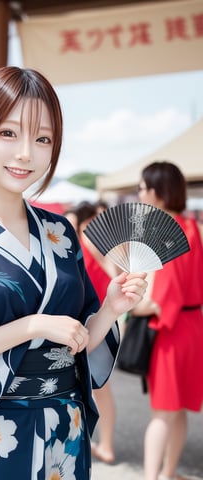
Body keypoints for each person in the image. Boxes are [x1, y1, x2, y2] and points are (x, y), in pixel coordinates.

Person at [0, 66, 147, 479]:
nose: (26, 153)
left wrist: (108, 309)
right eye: (8, 133)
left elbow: (75, 341)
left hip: (65, 426)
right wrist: (31, 326)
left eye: (43, 138)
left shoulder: (60, 233)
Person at [132, 161, 203, 480]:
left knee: (162, 413)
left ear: (159, 192)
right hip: (194, 327)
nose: (140, 193)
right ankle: (168, 472)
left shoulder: (163, 231)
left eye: (144, 188)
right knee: (181, 408)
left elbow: (160, 301)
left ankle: (151, 477)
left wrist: (135, 308)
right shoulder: (192, 227)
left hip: (170, 332)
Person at [75, 201, 118, 464]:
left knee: (99, 388)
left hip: (97, 320)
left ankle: (107, 445)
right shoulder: (86, 243)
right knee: (96, 388)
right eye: (97, 219)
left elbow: (113, 275)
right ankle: (103, 444)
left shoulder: (97, 245)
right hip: (88, 320)